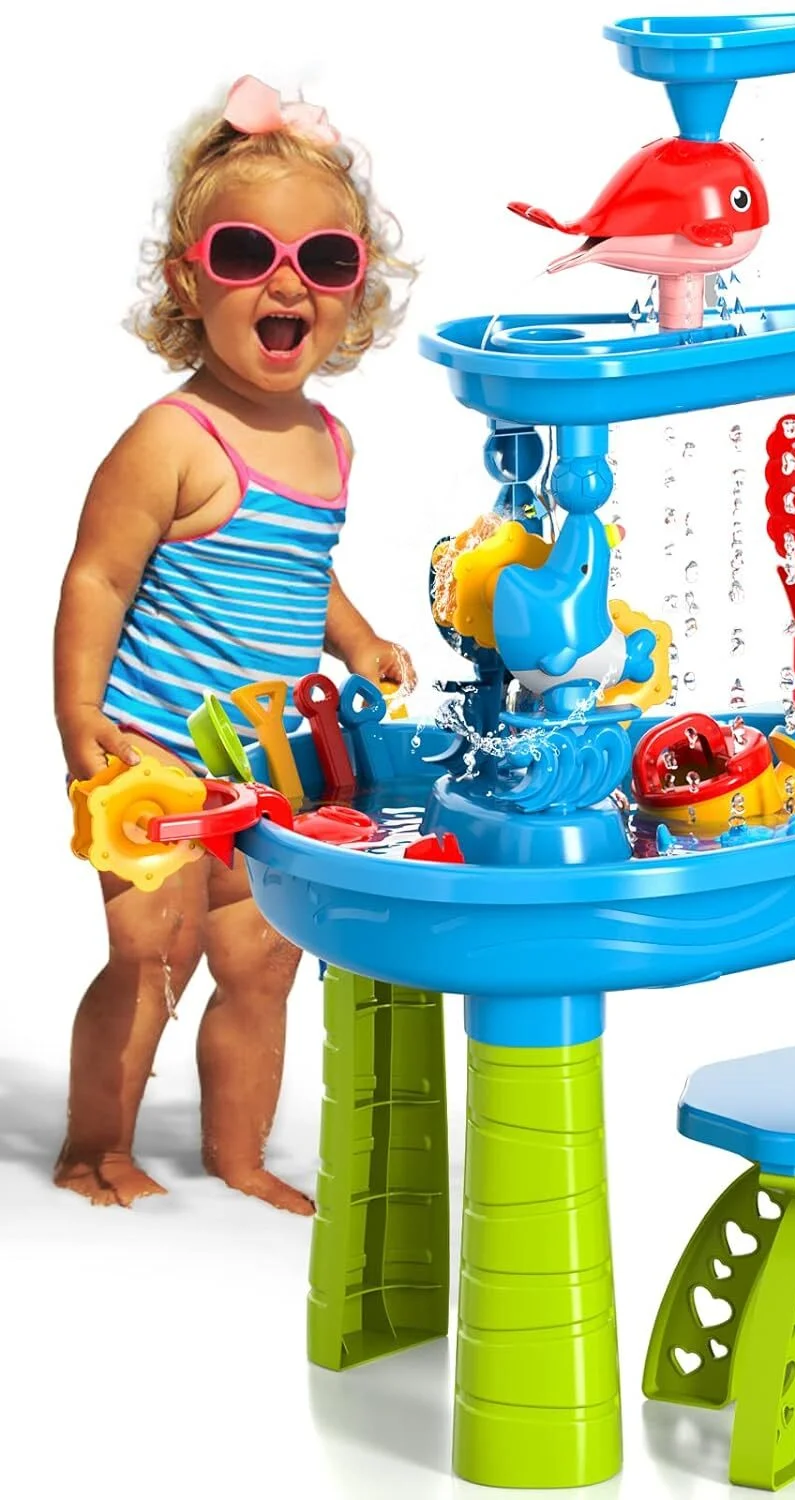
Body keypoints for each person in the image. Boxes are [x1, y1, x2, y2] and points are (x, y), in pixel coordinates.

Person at [52, 75, 417, 1212]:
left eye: (325, 260)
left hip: (271, 773)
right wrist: (79, 719)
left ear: (355, 290)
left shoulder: (330, 441)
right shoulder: (173, 436)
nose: (287, 282)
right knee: (151, 956)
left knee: (262, 967)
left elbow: (300, 571)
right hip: (153, 759)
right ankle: (94, 1148)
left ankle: (240, 1156)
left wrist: (358, 639)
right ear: (188, 281)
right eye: (248, 252)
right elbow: (97, 577)